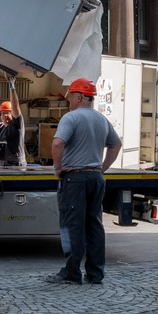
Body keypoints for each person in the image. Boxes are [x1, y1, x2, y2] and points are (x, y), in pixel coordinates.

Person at [47, 77, 122, 285]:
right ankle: (96, 273)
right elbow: (116, 144)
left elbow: (58, 143)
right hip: (96, 178)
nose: (69, 101)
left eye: (71, 96)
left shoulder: (71, 118)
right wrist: (102, 167)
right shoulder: (101, 119)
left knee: (73, 225)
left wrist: (57, 169)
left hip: (75, 179)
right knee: (94, 225)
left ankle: (71, 273)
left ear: (79, 97)